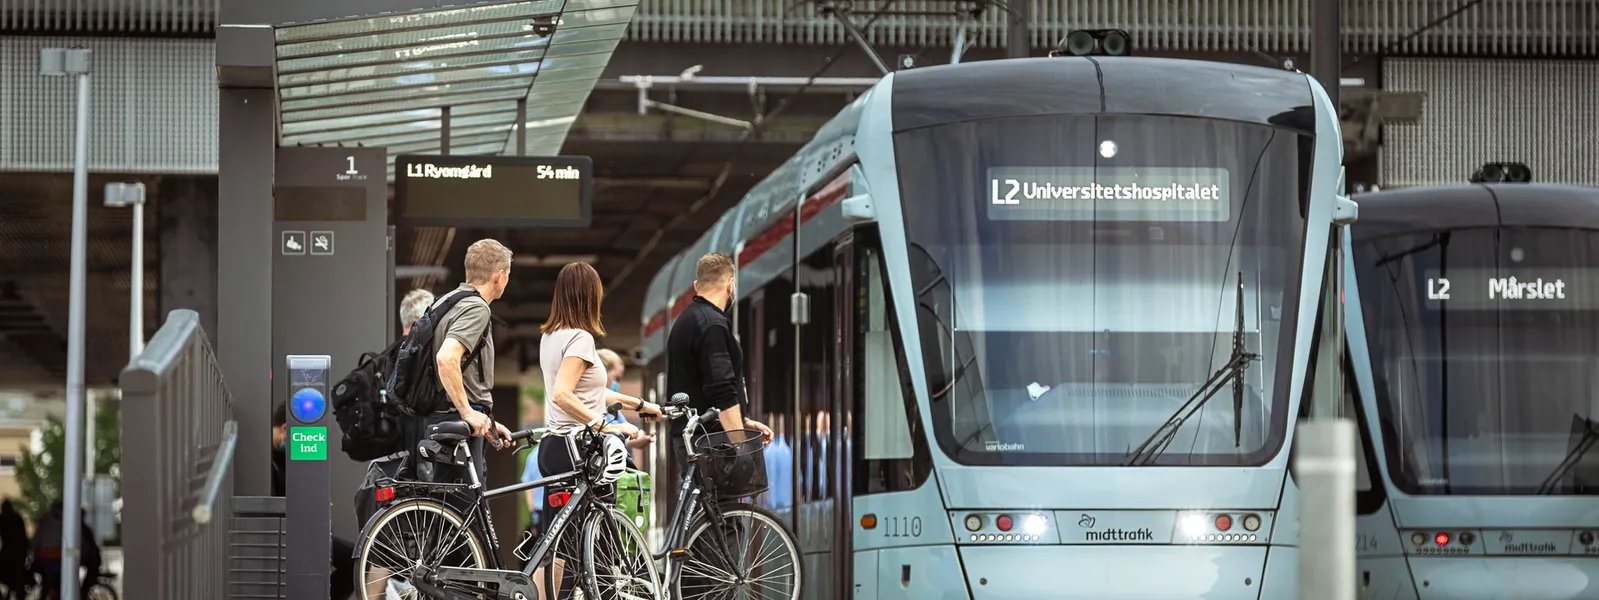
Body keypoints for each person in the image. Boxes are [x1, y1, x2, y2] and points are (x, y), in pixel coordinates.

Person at [537, 262, 663, 597]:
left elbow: (588, 391)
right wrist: (602, 423)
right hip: (579, 449)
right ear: (590, 296)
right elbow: (564, 394)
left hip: (553, 447)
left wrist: (639, 405)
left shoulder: (551, 336)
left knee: (553, 546)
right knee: (602, 544)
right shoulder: (580, 338)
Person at [666, 253, 773, 471]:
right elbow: (721, 390)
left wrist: (742, 421)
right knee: (721, 506)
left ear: (697, 285)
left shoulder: (686, 320)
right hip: (712, 445)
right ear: (730, 285)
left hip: (694, 438)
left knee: (701, 504)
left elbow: (700, 388)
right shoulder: (712, 325)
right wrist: (741, 443)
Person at [429, 239, 516, 484]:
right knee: (468, 515)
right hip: (460, 424)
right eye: (507, 274)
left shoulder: (447, 302)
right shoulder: (476, 308)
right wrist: (468, 412)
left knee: (451, 513)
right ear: (499, 276)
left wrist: (487, 422)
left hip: (448, 417)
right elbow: (446, 359)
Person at [271, 401, 357, 600]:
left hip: (300, 531)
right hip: (294, 534)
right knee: (355, 560)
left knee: (355, 559)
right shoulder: (273, 460)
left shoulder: (277, 457)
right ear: (286, 429)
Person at [0, 500, 28, 600]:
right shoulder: (17, 518)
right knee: (17, 577)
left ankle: (8, 594)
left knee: (7, 576)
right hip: (18, 552)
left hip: (7, 551)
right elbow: (24, 537)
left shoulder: (2, 519)